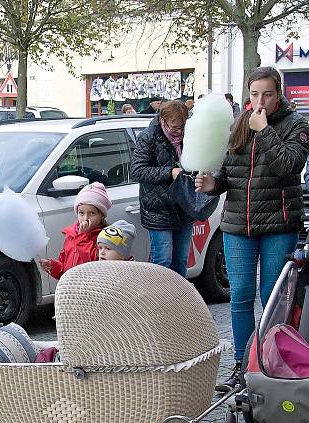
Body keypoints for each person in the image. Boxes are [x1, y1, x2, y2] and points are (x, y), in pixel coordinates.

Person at [196, 67, 309, 392]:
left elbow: (289, 165)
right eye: (254, 94)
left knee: (272, 299)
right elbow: (228, 172)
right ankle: (242, 367)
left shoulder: (296, 125)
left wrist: (264, 132)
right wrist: (211, 183)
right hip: (237, 225)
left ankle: (271, 363)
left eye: (267, 94)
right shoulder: (238, 125)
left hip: (277, 224)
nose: (260, 101)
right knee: (241, 297)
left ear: (279, 93)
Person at [131, 99, 195, 277]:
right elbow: (137, 170)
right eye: (175, 127)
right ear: (163, 120)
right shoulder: (148, 137)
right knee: (162, 261)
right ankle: (159, 303)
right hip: (158, 209)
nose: (179, 132)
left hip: (184, 207)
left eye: (182, 127)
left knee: (180, 261)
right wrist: (170, 172)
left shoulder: (190, 136)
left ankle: (178, 302)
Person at [39, 182, 111, 279]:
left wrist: (82, 237)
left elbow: (96, 262)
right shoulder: (71, 234)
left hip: (89, 288)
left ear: (102, 215)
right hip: (71, 287)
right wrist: (53, 266)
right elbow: (64, 266)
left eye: (92, 213)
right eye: (81, 213)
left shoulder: (105, 237)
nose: (86, 218)